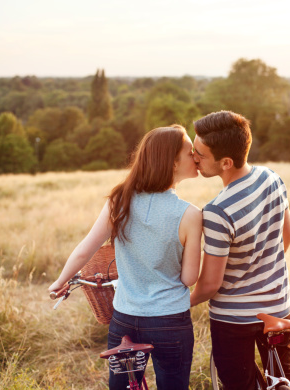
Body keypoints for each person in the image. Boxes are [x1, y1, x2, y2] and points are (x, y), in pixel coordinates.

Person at [48, 125, 202, 390]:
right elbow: (189, 277)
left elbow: (86, 248)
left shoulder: (120, 200)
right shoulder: (190, 214)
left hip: (126, 318)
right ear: (173, 163)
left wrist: (59, 281)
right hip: (170, 321)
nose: (196, 156)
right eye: (191, 152)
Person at [189, 111, 290, 390]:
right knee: (284, 380)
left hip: (234, 319)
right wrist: (262, 273)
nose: (193, 157)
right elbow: (289, 234)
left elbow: (211, 285)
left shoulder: (217, 211)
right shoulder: (272, 177)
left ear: (226, 162)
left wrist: (179, 304)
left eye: (199, 153)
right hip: (279, 307)